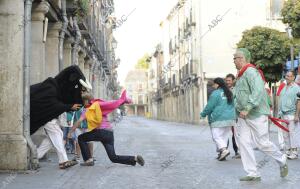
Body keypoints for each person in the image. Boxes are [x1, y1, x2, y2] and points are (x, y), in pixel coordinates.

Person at [233, 48, 288, 181]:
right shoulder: (241, 75)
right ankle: (252, 173)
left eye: (235, 58)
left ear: (241, 59)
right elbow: (239, 95)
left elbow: (257, 91)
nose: (233, 61)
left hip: (256, 113)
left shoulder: (251, 72)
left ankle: (281, 159)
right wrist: (238, 111)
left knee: (262, 143)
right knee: (244, 142)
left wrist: (248, 107)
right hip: (243, 115)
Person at [69, 90, 145, 167]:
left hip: (100, 132)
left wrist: (70, 132)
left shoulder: (88, 109)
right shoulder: (98, 104)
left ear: (85, 101)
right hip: (109, 133)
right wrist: (123, 100)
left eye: (81, 101)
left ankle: (89, 160)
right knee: (113, 157)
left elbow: (79, 121)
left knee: (81, 138)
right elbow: (111, 103)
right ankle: (135, 158)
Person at [200, 78, 236, 161]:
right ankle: (222, 153)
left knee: (216, 136)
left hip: (218, 118)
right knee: (224, 136)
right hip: (230, 118)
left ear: (217, 84)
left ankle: (223, 150)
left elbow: (210, 106)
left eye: (214, 84)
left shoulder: (215, 93)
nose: (213, 86)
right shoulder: (229, 92)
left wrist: (203, 114)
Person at [278, 71, 300, 159]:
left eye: (289, 76)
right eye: (286, 76)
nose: (286, 77)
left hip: (292, 114)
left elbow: (299, 102)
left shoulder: (296, 88)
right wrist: (280, 113)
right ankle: (288, 150)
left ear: (293, 77)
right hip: (283, 114)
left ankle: (294, 152)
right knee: (285, 133)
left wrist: (297, 115)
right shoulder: (284, 87)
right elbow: (281, 100)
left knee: (293, 134)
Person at [225, 73, 240, 159]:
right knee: (225, 134)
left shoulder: (236, 90)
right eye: (226, 81)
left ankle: (237, 151)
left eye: (229, 80)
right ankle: (224, 151)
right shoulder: (223, 90)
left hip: (234, 115)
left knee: (235, 134)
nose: (228, 82)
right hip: (226, 116)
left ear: (233, 81)